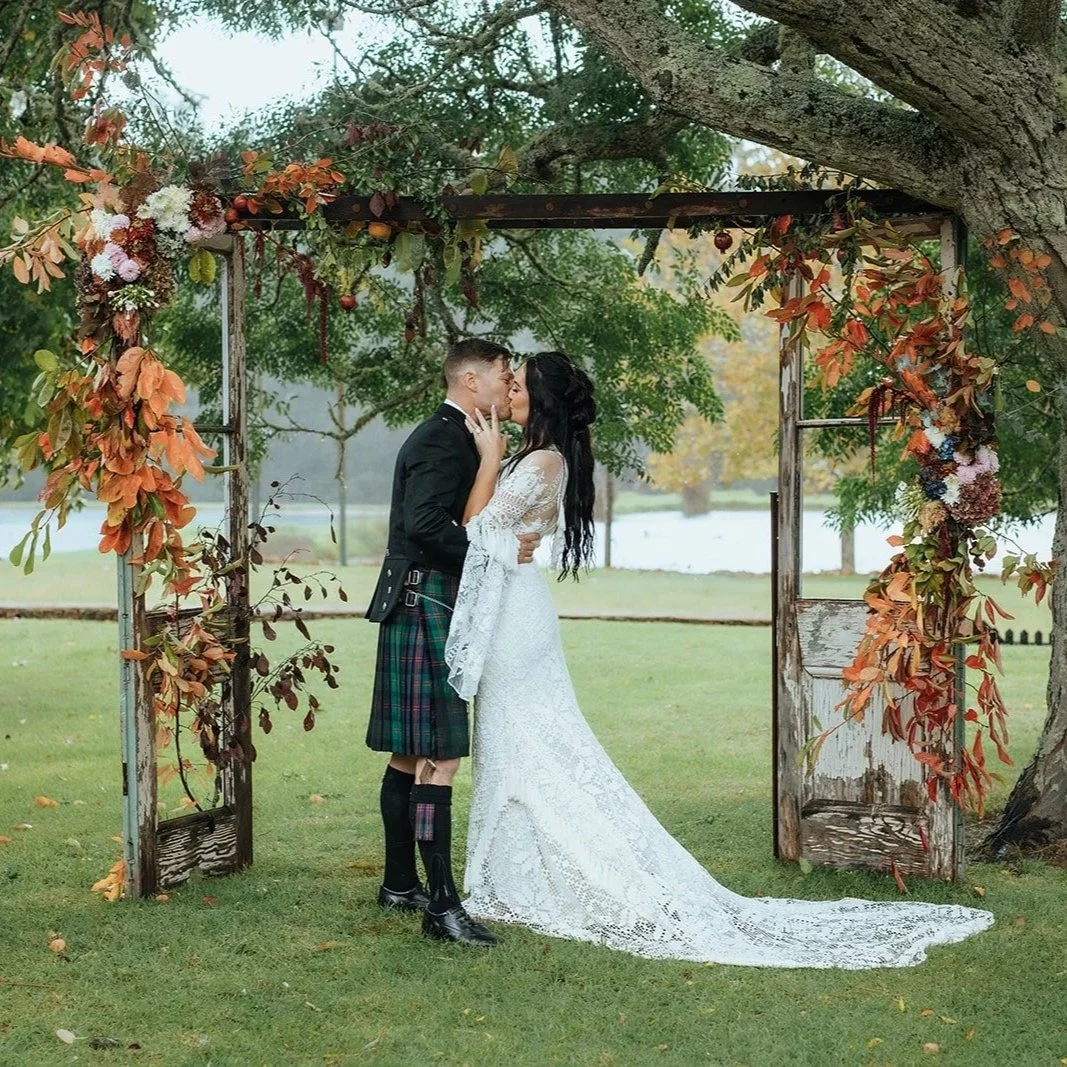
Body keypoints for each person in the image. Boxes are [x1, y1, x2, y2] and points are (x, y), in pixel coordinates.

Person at [444, 350, 994, 968]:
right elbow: (490, 537)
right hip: (513, 616)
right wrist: (496, 476)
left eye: (516, 386)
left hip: (518, 627)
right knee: (514, 744)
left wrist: (488, 460)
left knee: (531, 744)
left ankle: (540, 877)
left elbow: (472, 530)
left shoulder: (541, 461)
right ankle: (510, 872)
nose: (507, 393)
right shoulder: (533, 457)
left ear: (538, 400)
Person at [365, 337, 539, 947]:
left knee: (411, 755)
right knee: (439, 755)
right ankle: (440, 908)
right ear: (472, 381)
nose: (506, 385)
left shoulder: (457, 433)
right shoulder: (442, 439)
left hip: (423, 600)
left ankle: (397, 883)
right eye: (502, 375)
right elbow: (427, 525)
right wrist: (493, 549)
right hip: (427, 601)